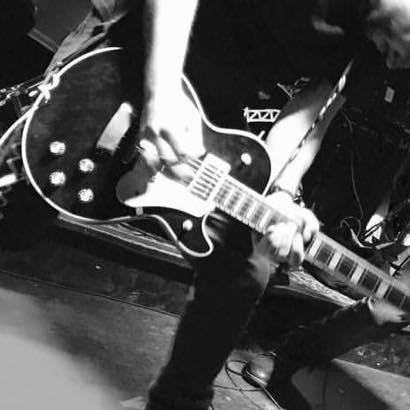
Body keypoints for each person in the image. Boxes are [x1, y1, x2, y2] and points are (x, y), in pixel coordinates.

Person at [2, 1, 410, 409]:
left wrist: (280, 192)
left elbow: (313, 112)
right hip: (136, 54)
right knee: (18, 215)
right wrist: (162, 93)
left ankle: (176, 403)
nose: (399, 64)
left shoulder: (371, 46)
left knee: (245, 269)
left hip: (215, 105)